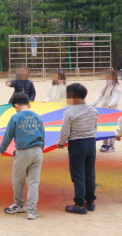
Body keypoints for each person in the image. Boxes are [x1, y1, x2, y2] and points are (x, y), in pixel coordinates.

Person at [0, 93, 45, 220]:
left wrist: (1, 150)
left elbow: (8, 136)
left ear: (16, 105)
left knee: (18, 180)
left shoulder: (15, 117)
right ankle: (32, 210)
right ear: (28, 103)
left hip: (23, 152)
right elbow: (43, 134)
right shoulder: (37, 116)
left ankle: (19, 204)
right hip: (37, 151)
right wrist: (41, 149)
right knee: (34, 182)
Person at [56, 83, 98, 215]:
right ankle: (90, 202)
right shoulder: (93, 110)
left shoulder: (69, 112)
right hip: (91, 143)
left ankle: (79, 205)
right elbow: (95, 127)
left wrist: (61, 143)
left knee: (78, 175)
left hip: (77, 145)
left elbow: (65, 131)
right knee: (89, 173)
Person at [91, 70, 122, 152]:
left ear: (114, 77)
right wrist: (92, 105)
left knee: (112, 126)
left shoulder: (118, 88)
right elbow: (99, 96)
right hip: (104, 110)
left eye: (109, 77)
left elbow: (115, 98)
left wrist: (110, 105)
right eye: (106, 78)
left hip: (112, 110)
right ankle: (105, 143)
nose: (107, 79)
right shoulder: (104, 87)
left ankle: (111, 145)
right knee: (104, 126)